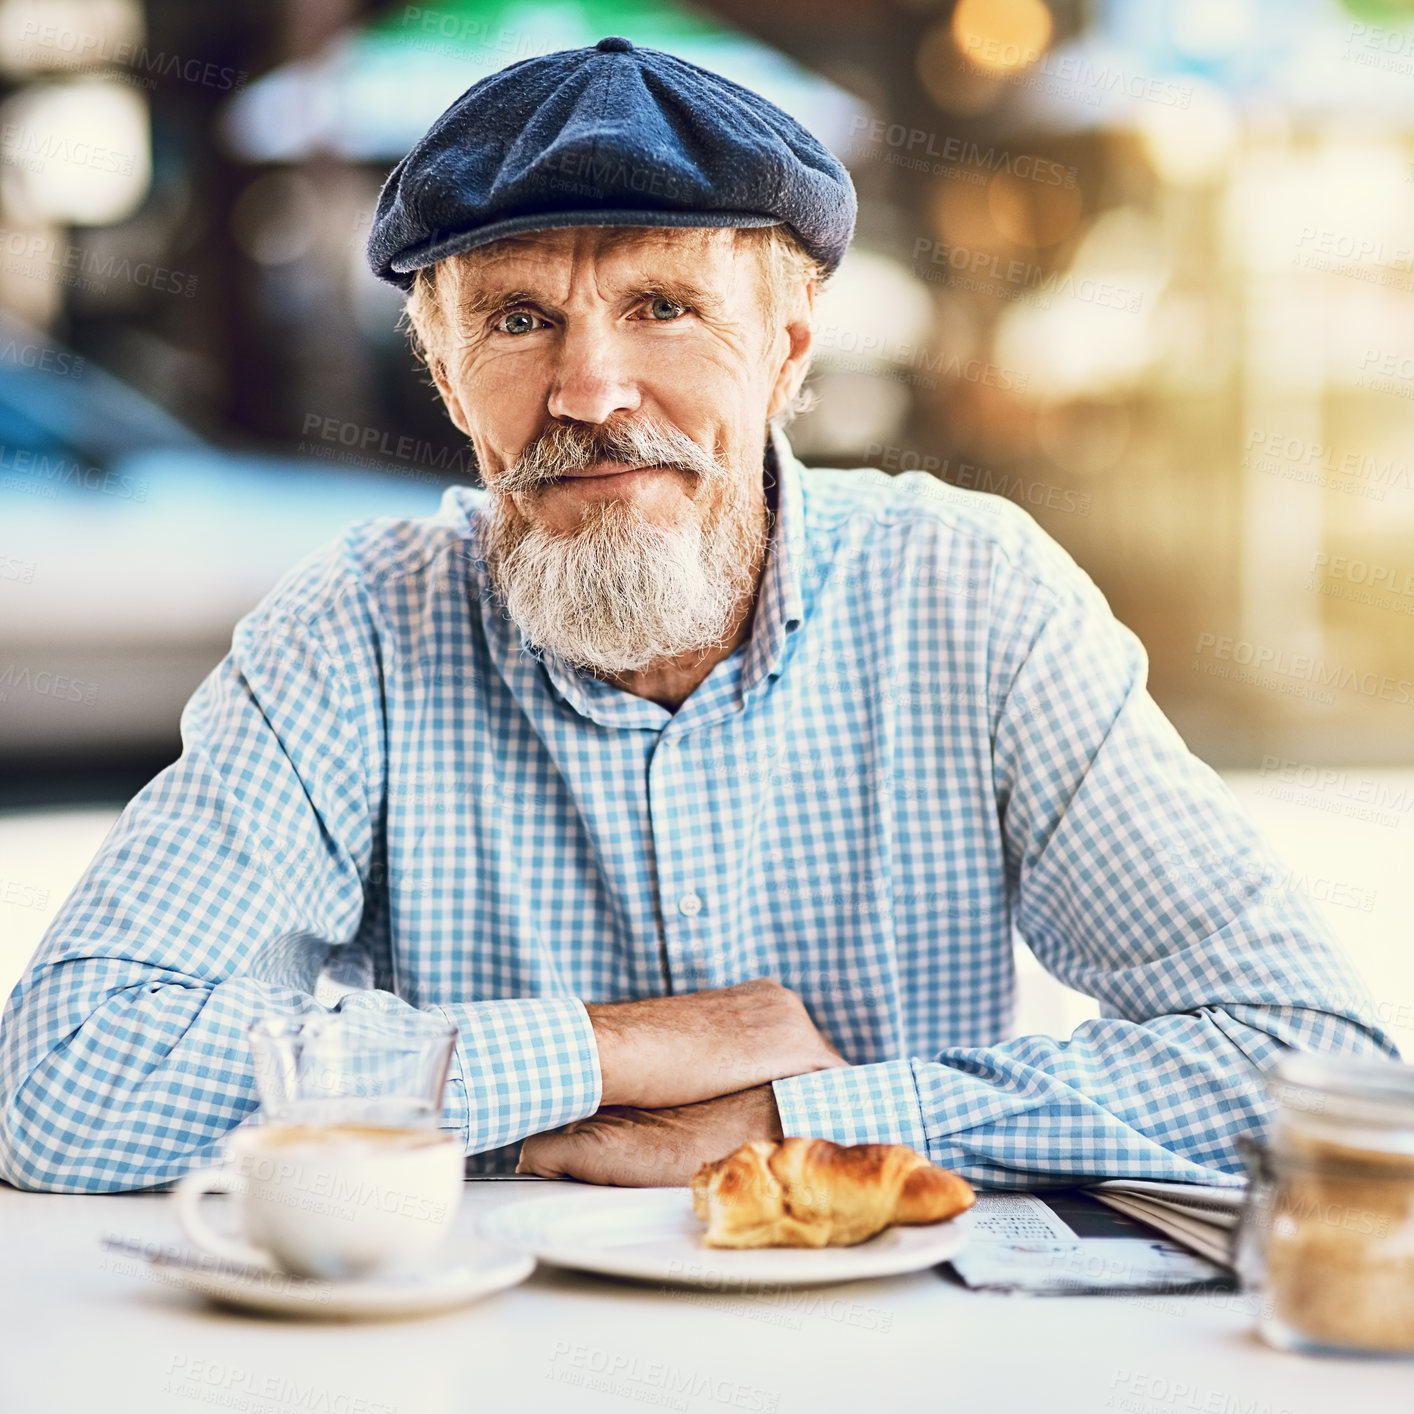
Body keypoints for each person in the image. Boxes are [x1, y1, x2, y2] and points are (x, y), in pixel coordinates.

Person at [0, 38, 1395, 1194]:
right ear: (440, 366)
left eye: (664, 304)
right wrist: (616, 1049)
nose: (590, 389)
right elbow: (59, 1086)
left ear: (787, 349)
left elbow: (1304, 1062)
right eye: (514, 319)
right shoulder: (355, 629)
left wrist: (800, 1119)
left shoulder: (969, 594)